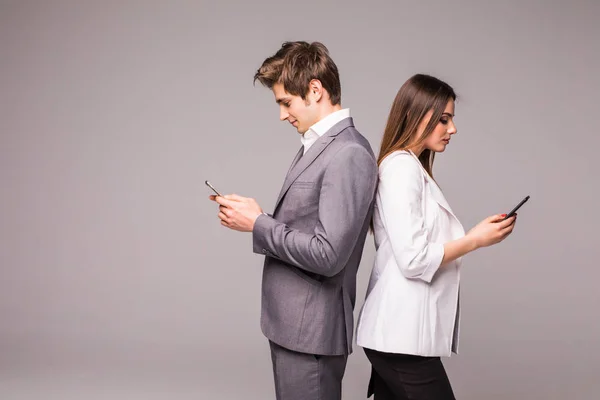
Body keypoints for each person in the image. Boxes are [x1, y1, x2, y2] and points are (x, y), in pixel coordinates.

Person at [210, 41, 378, 400]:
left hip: (311, 332)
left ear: (315, 90)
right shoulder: (318, 144)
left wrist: (258, 223)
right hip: (293, 328)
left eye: (285, 102)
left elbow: (329, 255)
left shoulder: (348, 152)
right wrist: (253, 217)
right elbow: (306, 228)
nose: (282, 115)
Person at [356, 74, 518, 399]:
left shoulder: (411, 168)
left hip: (401, 335)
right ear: (416, 115)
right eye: (444, 119)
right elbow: (413, 259)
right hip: (400, 337)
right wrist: (475, 239)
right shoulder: (401, 168)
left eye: (452, 119)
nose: (452, 129)